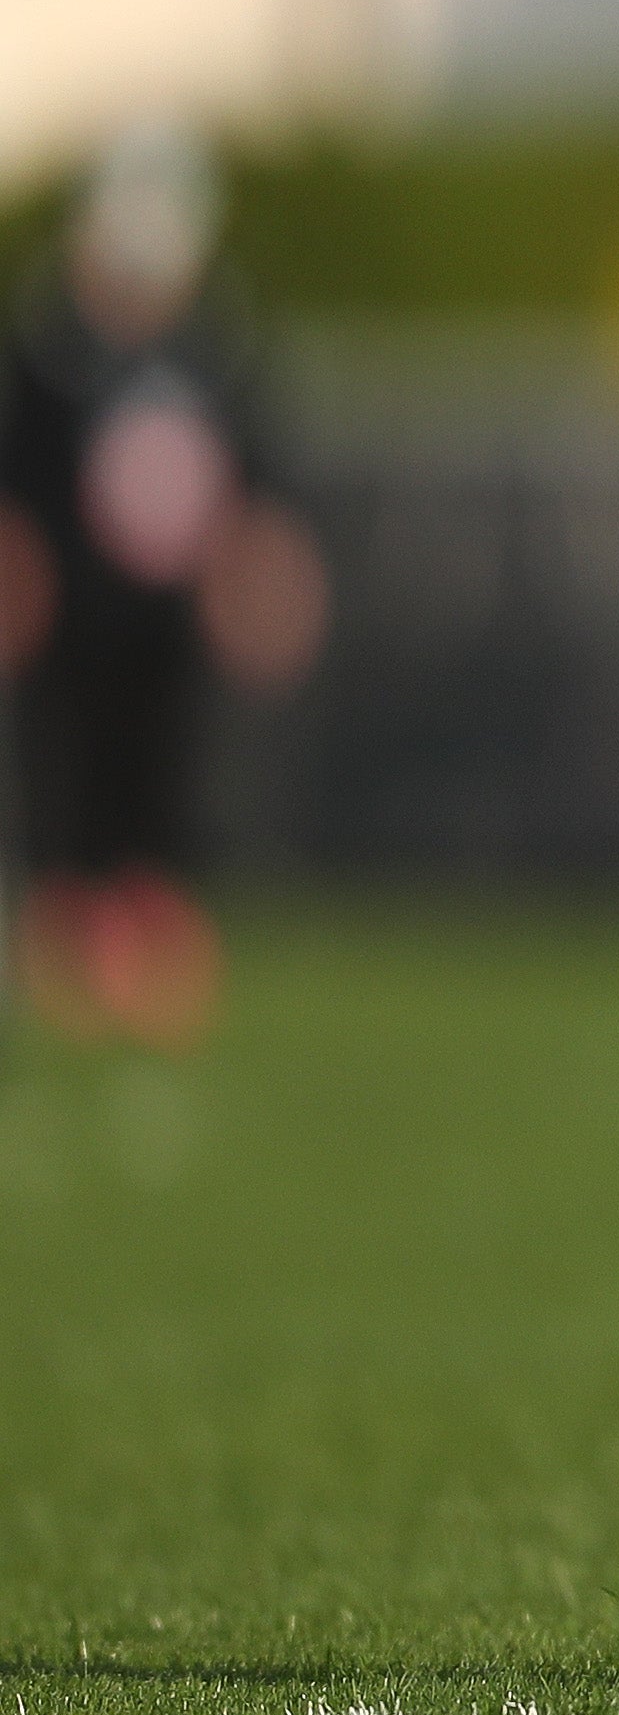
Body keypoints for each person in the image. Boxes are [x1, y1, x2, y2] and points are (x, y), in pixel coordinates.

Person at [0, 122, 331, 1052]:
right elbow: (21, 492)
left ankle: (155, 956)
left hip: (167, 630)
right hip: (72, 627)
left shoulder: (214, 350)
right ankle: (66, 961)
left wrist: (265, 579)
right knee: (66, 790)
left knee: (163, 789)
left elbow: (256, 487)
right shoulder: (50, 350)